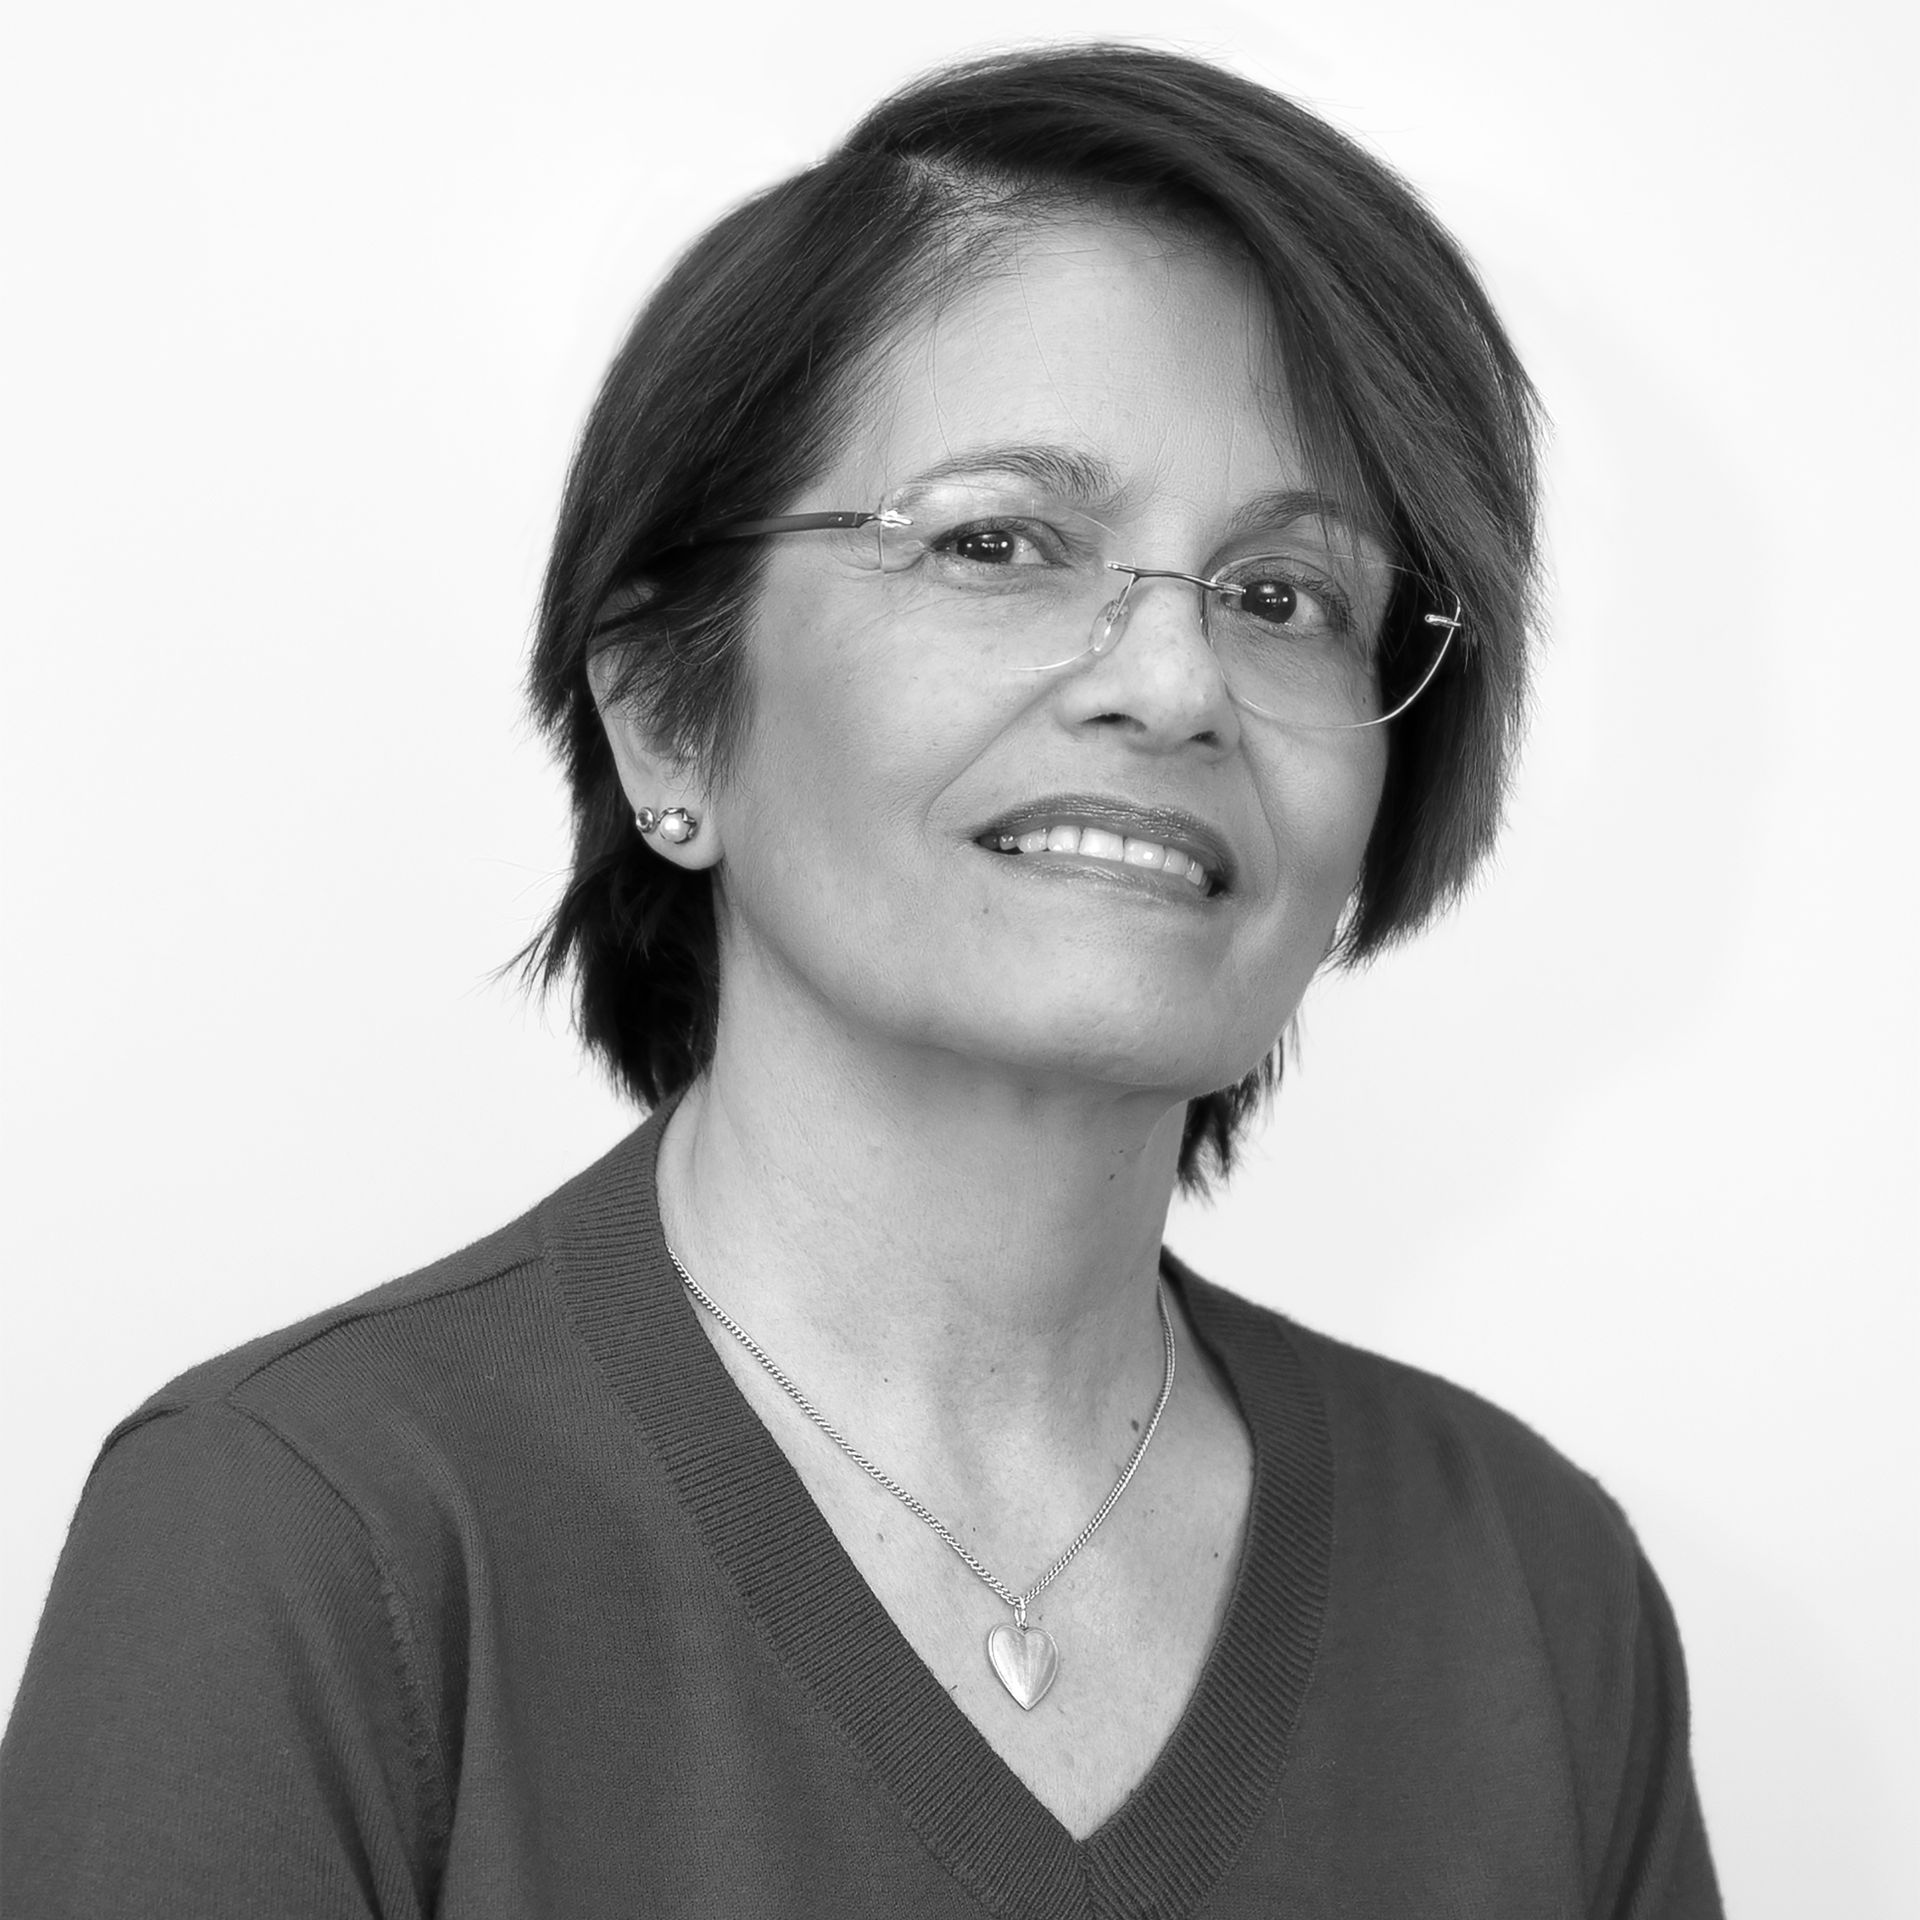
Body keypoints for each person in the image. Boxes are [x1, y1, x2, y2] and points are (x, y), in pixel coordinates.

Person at [0, 42, 1721, 1918]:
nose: (1176, 683)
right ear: (667, 716)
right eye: (998, 542)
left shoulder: (1533, 1600)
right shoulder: (306, 1540)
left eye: (1285, 595)